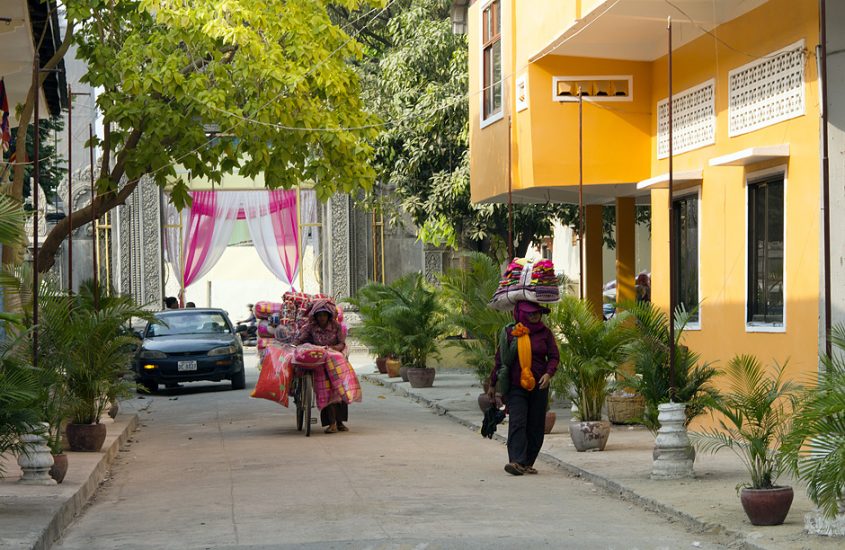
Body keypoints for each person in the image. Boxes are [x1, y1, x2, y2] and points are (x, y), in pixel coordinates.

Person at [487, 301, 559, 476]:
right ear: (520, 314)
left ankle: (527, 462)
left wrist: (549, 374)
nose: (534, 316)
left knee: (535, 425)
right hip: (516, 386)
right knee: (518, 422)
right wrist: (492, 383)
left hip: (539, 386)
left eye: (537, 313)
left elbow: (554, 357)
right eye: (530, 313)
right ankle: (516, 461)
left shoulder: (545, 333)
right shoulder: (510, 334)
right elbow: (500, 360)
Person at [294, 298, 349, 433]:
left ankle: (340, 422)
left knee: (339, 389)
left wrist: (332, 349)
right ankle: (331, 424)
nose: (322, 318)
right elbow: (301, 339)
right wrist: (294, 345)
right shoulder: (311, 327)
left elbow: (342, 343)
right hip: (318, 362)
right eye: (319, 315)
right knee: (325, 390)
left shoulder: (336, 326)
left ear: (328, 316)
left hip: (334, 360)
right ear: (316, 316)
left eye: (324, 315)